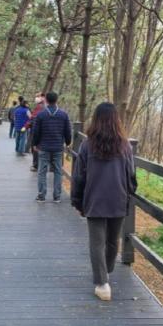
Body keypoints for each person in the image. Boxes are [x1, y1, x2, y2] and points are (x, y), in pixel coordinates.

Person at [70, 102, 137, 301]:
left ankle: (102, 283)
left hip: (95, 199)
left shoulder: (87, 145)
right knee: (112, 240)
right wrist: (129, 193)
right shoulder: (125, 146)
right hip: (118, 198)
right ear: (116, 120)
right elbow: (131, 174)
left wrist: (77, 200)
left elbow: (79, 176)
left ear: (96, 119)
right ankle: (105, 272)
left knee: (97, 242)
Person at [31, 91, 71, 203]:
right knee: (58, 171)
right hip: (58, 147)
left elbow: (36, 132)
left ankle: (41, 196)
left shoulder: (41, 115)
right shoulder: (63, 115)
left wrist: (35, 144)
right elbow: (67, 131)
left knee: (42, 171)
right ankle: (57, 196)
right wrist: (68, 142)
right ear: (56, 100)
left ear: (46, 100)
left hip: (44, 147)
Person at [27, 93, 46, 172]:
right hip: (44, 131)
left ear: (42, 97)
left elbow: (35, 119)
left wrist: (29, 123)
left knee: (35, 147)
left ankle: (36, 165)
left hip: (37, 130)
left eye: (38, 96)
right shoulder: (45, 106)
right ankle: (41, 164)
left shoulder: (40, 107)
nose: (36, 98)